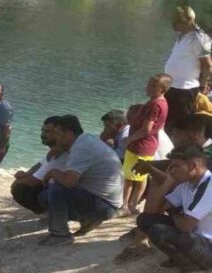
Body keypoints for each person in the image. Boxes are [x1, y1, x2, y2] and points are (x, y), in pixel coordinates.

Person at [134, 144, 212, 273]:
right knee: (145, 220)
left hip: (208, 245)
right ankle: (184, 259)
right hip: (197, 238)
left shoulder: (209, 187)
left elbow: (185, 226)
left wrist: (176, 213)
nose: (171, 170)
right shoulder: (187, 184)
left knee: (159, 231)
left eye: (176, 166)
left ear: (193, 165)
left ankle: (197, 269)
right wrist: (168, 181)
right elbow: (151, 211)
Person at [38, 115, 123, 246]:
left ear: (69, 133)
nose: (56, 138)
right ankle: (87, 220)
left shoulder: (81, 148)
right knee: (46, 195)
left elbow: (69, 181)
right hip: (107, 201)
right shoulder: (85, 140)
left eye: (58, 134)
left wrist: (52, 172)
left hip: (104, 205)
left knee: (56, 187)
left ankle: (60, 235)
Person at [122, 74, 171, 217]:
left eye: (153, 86)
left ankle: (125, 204)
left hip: (140, 144)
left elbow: (146, 128)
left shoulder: (155, 105)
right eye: (149, 84)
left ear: (163, 89)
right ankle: (134, 204)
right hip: (149, 144)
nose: (148, 88)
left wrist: (130, 139)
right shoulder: (162, 102)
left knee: (129, 176)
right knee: (141, 175)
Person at [163, 6, 212, 132]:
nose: (173, 23)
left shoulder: (199, 38)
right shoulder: (182, 36)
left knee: (181, 126)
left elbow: (207, 65)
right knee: (168, 124)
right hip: (171, 87)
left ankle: (181, 150)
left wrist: (203, 85)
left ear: (189, 20)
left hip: (185, 90)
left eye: (178, 20)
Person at [11, 116, 66, 215]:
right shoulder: (55, 149)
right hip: (53, 186)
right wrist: (26, 173)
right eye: (43, 131)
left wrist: (18, 181)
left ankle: (47, 213)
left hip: (60, 191)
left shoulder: (58, 154)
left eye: (48, 132)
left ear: (59, 134)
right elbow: (40, 164)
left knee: (19, 188)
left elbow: (33, 182)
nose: (43, 135)